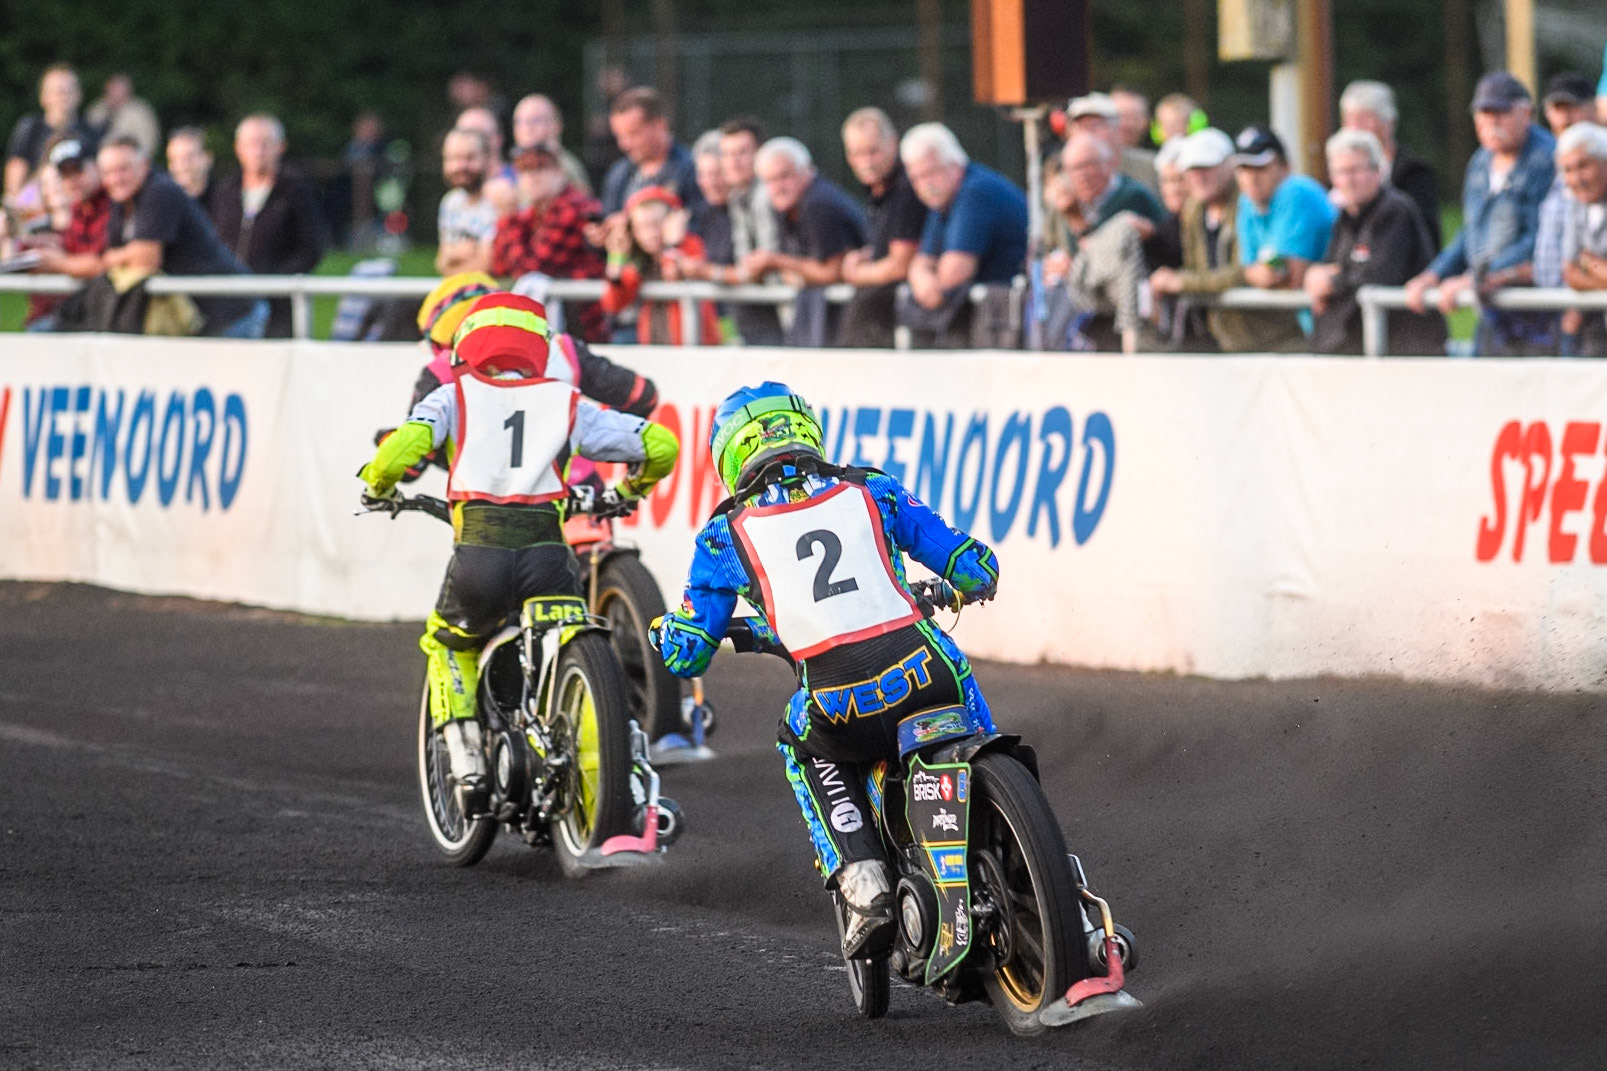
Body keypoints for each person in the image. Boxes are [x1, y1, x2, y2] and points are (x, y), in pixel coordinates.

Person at [649, 381, 1000, 959]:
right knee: (957, 672)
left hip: (841, 703)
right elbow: (972, 565)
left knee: (798, 736)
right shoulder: (874, 488)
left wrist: (667, 633)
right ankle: (1003, 791)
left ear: (731, 457)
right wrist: (971, 577)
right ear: (806, 429)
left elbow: (690, 651)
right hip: (929, 671)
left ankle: (865, 884)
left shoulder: (723, 534)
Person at [359, 292, 679, 792]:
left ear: (468, 344)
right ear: (539, 347)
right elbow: (661, 446)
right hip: (550, 559)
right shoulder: (565, 400)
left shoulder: (451, 394)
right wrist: (626, 491)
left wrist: (378, 486)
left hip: (479, 559)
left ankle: (465, 754)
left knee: (448, 640)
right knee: (562, 640)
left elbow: (400, 451)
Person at [1405, 72, 1557, 356]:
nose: (1490, 123)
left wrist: (1474, 277)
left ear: (1525, 112)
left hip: (1535, 314)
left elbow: (1539, 240)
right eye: (1483, 114)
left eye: (1499, 114)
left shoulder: (1547, 159)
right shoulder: (1480, 161)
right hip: (1491, 309)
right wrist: (1433, 275)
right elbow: (1470, 231)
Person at [1147, 127, 1303, 353]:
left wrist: (1182, 282)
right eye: (1192, 169)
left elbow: (1250, 271)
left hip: (1275, 340)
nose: (1199, 176)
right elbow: (1203, 269)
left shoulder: (1249, 201)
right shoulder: (1193, 210)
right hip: (1224, 341)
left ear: (1228, 167)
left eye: (1207, 167)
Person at [96, 137, 266, 338]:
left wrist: (109, 259)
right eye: (108, 172)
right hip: (199, 317)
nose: (116, 178)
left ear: (144, 166)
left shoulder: (160, 191)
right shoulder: (122, 199)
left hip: (230, 313)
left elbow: (146, 259)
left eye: (123, 169)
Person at [1304, 129, 1445, 355]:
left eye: (1355, 170)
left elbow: (1377, 274)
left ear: (1378, 171)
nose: (1348, 180)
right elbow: (1335, 269)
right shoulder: (1344, 218)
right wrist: (1318, 279)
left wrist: (1331, 283)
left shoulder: (1395, 210)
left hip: (1402, 354)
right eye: (1341, 172)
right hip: (1353, 353)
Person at [899, 123, 1028, 346]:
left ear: (955, 166)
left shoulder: (975, 192)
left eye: (931, 173)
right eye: (916, 178)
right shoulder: (942, 200)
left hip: (1010, 323)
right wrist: (923, 281)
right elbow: (920, 264)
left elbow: (953, 275)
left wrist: (928, 283)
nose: (925, 184)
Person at [1039, 131, 1167, 350]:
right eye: (1073, 169)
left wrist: (1076, 221)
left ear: (1109, 164)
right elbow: (1052, 253)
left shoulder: (1133, 197)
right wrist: (1056, 264)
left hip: (1130, 309)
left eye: (1088, 165)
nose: (1081, 175)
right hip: (1085, 313)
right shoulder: (1062, 204)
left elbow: (1101, 254)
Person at [209, 114, 327, 337]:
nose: (259, 150)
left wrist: (271, 283)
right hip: (229, 305)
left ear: (280, 147)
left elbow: (311, 248)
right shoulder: (226, 191)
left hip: (278, 308)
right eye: (252, 143)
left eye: (266, 143)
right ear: (239, 148)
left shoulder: (297, 191)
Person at [743, 137, 866, 345]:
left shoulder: (817, 204)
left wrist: (775, 262)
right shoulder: (789, 206)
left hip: (852, 324)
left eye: (784, 176)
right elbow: (804, 271)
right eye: (769, 180)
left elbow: (832, 272)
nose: (777, 187)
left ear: (807, 170)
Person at [491, 142, 608, 342]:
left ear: (560, 172)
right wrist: (508, 219)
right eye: (524, 170)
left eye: (541, 168)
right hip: (563, 326)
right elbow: (500, 266)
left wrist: (508, 217)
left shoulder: (574, 207)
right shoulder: (532, 214)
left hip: (586, 328)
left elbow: (532, 268)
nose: (532, 177)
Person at [837, 107, 928, 348]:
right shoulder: (878, 189)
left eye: (872, 151)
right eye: (856, 153)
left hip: (903, 327)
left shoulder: (907, 188)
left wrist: (856, 274)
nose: (865, 162)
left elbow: (900, 265)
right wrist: (869, 255)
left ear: (893, 143)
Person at [600, 186, 720, 345]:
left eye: (656, 224)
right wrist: (616, 257)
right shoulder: (641, 260)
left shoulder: (689, 244)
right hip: (655, 345)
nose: (650, 234)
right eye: (641, 227)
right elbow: (613, 304)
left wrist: (672, 245)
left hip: (694, 346)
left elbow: (671, 274)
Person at [1232, 124, 1336, 296]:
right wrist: (1253, 273)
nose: (1251, 178)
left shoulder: (1296, 191)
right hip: (1308, 315)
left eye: (1260, 167)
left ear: (1285, 167)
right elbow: (1247, 270)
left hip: (1333, 312)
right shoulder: (1247, 200)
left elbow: (1291, 279)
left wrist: (1256, 273)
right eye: (1243, 168)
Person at [1338, 80, 1441, 251]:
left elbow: (1425, 236)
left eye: (1364, 119)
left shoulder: (1414, 172)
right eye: (1350, 120)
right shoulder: (1340, 173)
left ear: (1389, 121)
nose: (1356, 129)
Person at [26, 138, 112, 329]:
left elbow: (101, 263)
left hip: (105, 316)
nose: (72, 181)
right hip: (86, 312)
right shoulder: (79, 208)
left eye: (77, 170)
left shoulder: (112, 204)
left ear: (95, 166)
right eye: (64, 174)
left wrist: (56, 262)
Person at [715, 116, 782, 344]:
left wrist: (709, 272)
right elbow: (747, 262)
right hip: (769, 305)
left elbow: (767, 263)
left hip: (788, 306)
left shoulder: (768, 193)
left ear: (761, 155)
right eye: (727, 154)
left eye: (742, 153)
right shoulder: (736, 196)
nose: (733, 162)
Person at [1544, 123, 1607, 356]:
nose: (1576, 178)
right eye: (1568, 170)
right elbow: (1570, 272)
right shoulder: (1576, 203)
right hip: (1595, 328)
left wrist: (1589, 264)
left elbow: (1578, 265)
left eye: (1583, 166)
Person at [598, 87, 701, 218]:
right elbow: (608, 216)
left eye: (633, 134)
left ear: (660, 125)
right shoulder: (618, 173)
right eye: (619, 136)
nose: (624, 144)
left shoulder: (692, 170)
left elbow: (699, 225)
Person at [6, 64, 97, 204]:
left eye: (69, 91)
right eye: (58, 92)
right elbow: (15, 179)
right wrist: (22, 204)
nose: (63, 97)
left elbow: (95, 179)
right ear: (44, 97)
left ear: (79, 95)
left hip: (77, 204)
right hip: (36, 200)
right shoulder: (30, 128)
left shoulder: (89, 131)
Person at [1065, 91, 1158, 193]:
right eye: (1081, 126)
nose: (1088, 132)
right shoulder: (1058, 169)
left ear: (1116, 127)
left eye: (1096, 124)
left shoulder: (1150, 166)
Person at [435, 127, 498, 275]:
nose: (460, 166)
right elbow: (441, 263)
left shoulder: (498, 199)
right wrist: (453, 254)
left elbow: (486, 266)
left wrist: (451, 257)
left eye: (470, 158)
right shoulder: (451, 202)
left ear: (487, 159)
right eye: (453, 158)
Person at [511, 94, 592, 196]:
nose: (527, 128)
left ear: (556, 125)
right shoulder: (518, 163)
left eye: (534, 121)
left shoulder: (565, 167)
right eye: (519, 122)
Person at [85, 74, 160, 159]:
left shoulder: (140, 112)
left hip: (132, 161)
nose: (116, 92)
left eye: (120, 89)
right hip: (101, 160)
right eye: (113, 88)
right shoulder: (97, 110)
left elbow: (149, 141)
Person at [166, 127, 215, 204]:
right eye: (176, 159)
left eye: (190, 156)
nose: (184, 164)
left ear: (207, 158)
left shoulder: (226, 199)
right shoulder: (164, 204)